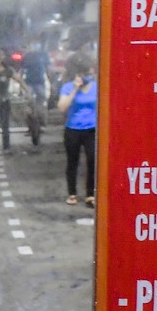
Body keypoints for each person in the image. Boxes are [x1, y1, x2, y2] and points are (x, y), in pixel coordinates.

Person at [59, 52, 99, 208]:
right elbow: (62, 107)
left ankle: (90, 194)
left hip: (91, 130)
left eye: (89, 73)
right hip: (72, 130)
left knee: (92, 160)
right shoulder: (67, 87)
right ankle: (72, 194)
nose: (87, 76)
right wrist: (74, 90)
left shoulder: (97, 87)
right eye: (85, 73)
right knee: (72, 162)